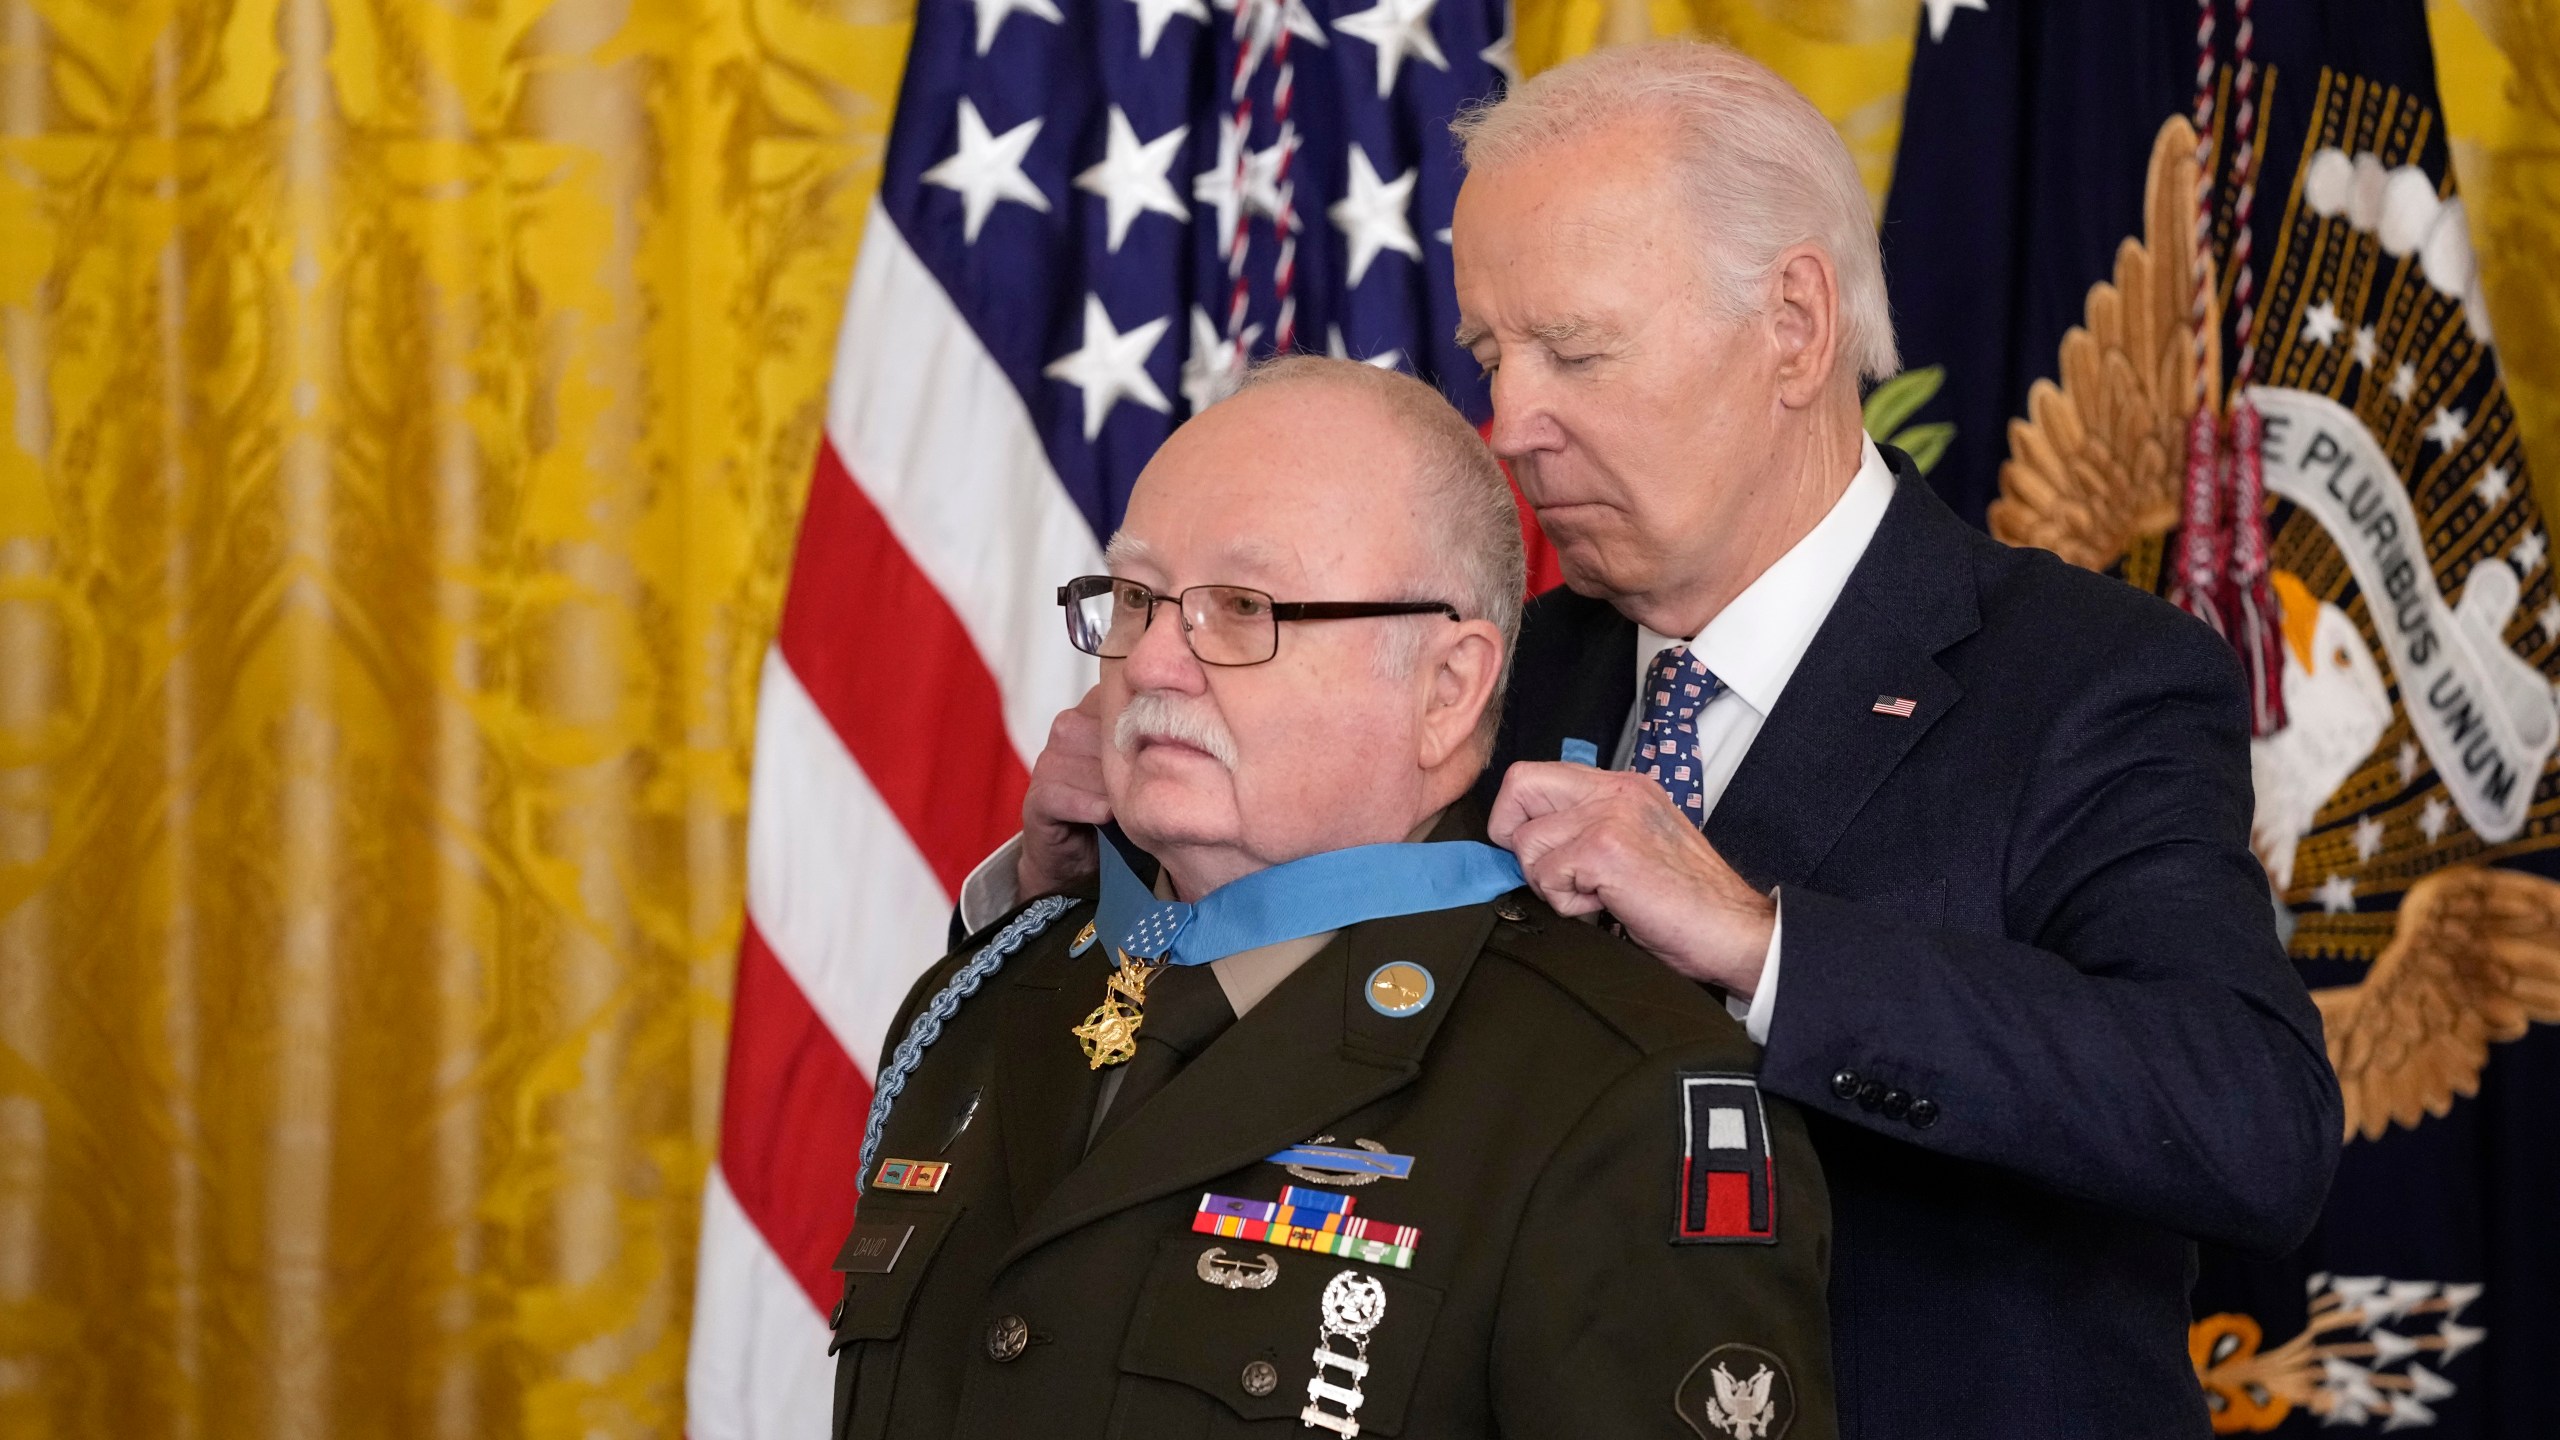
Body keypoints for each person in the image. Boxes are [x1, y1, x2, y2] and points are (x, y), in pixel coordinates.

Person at [981, 43, 2344, 1440]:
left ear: (1796, 330)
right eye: (1493, 356)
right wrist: (1078, 887)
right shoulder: (1487, 676)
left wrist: (1765, 947)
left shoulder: (2086, 681)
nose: (1511, 424)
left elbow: (2253, 1125)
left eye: (1576, 351)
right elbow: (1269, 1017)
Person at [836, 356, 1837, 1440]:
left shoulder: (1618, 1092)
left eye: (1240, 607)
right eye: (1136, 598)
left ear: (1445, 690)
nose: (1156, 662)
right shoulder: (981, 1001)